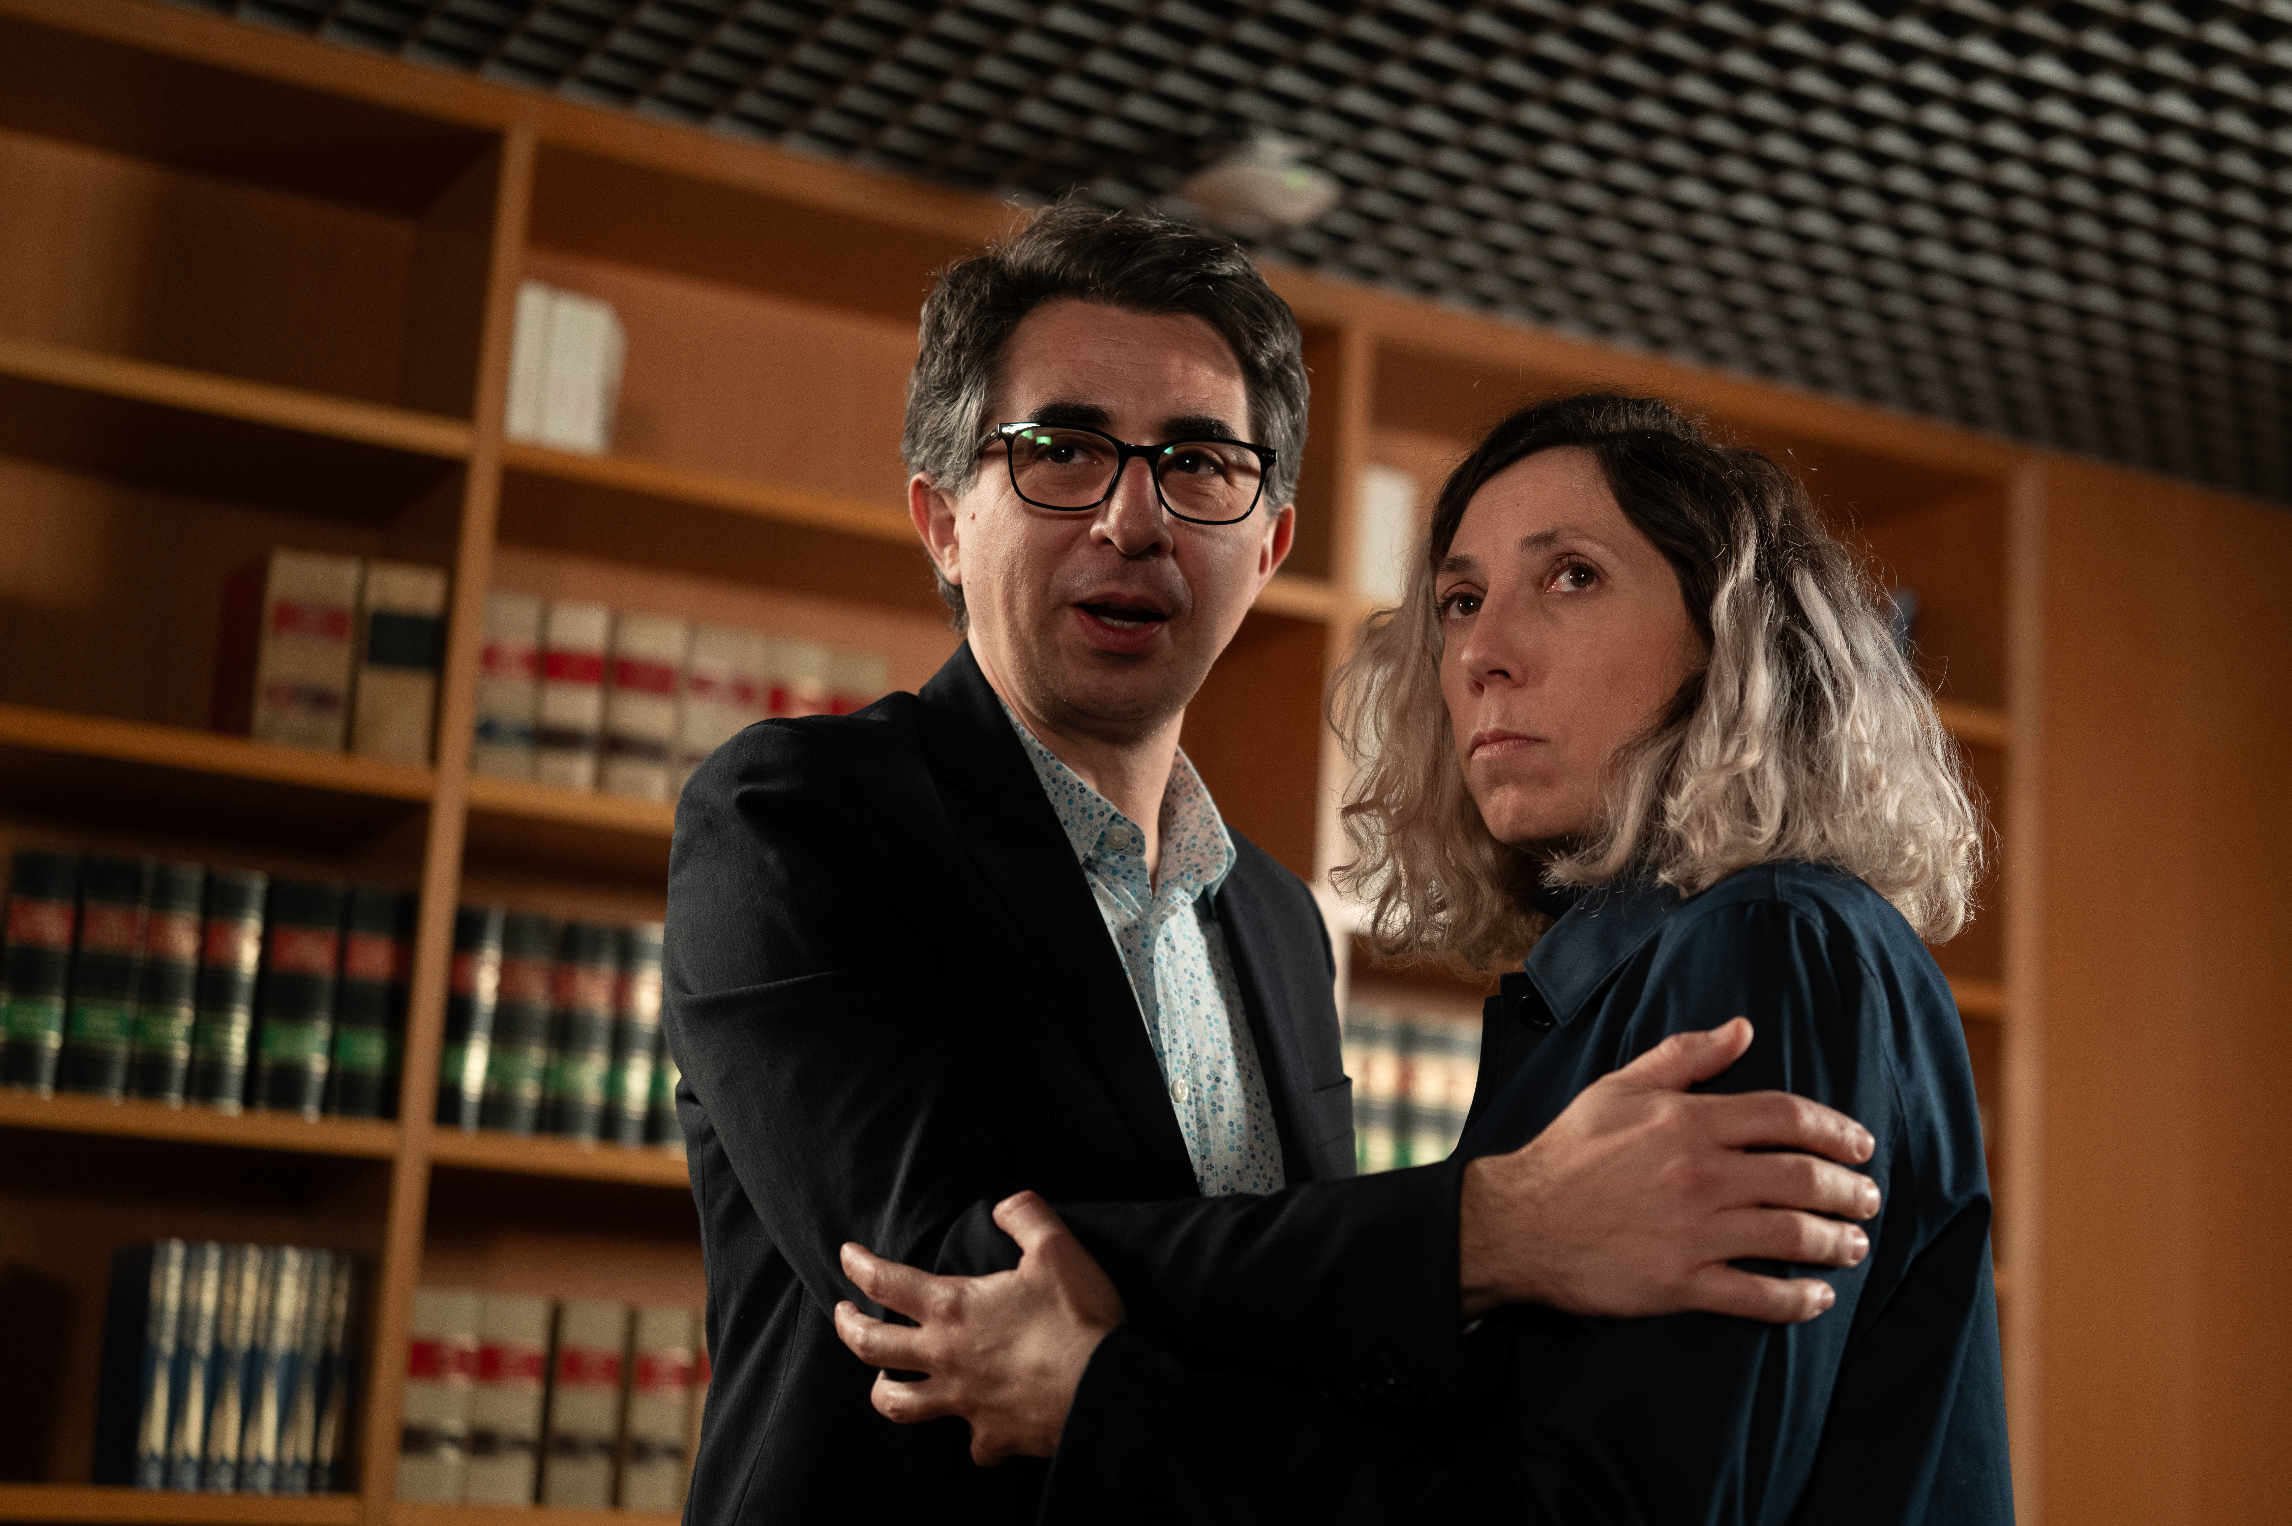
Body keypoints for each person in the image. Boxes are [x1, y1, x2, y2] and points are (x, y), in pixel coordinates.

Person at [665, 206, 1886, 1526]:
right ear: (944, 520)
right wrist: (1493, 1229)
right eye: (1061, 450)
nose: (1133, 518)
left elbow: (1311, 1362)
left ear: (1269, 545)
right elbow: (950, 1282)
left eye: (1199, 463)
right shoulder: (796, 816)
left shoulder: (1278, 921)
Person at [830, 392, 2013, 1523]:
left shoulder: (1771, 943)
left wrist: (1106, 1406)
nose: (1483, 650)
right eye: (1458, 599)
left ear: (1729, 639)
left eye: (1572, 575)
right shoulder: (1609, 988)